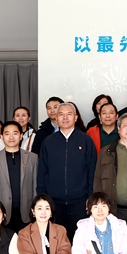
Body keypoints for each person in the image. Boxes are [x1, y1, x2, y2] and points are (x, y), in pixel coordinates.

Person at [37, 102, 97, 238]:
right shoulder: (48, 142)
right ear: (56, 118)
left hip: (80, 201)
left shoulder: (86, 140)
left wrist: (90, 196)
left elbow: (92, 170)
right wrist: (42, 197)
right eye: (61, 114)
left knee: (80, 239)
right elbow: (42, 172)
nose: (65, 118)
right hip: (53, 201)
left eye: (69, 114)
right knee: (56, 238)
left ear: (75, 117)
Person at [0, 120, 38, 233]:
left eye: (15, 133)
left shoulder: (33, 158)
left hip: (26, 212)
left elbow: (35, 186)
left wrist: (35, 209)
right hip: (1, 213)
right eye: (7, 134)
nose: (11, 137)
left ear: (21, 136)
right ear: (2, 136)